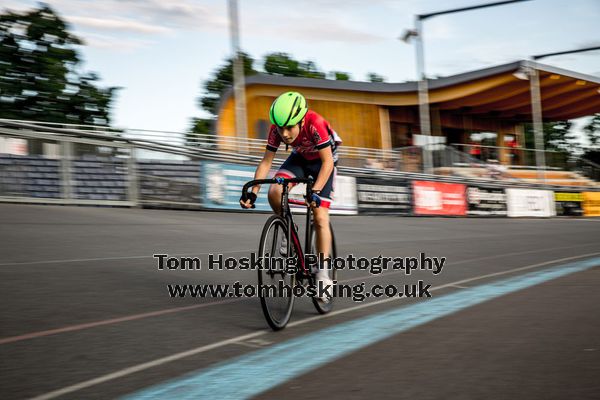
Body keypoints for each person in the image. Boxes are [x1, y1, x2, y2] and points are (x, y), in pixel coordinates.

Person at [239, 91, 341, 301]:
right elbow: (266, 162)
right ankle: (287, 226)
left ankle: (322, 274)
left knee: (320, 217)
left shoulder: (315, 123)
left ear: (302, 120)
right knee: (275, 190)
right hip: (300, 159)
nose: (284, 134)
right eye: (280, 128)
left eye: (289, 127)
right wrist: (254, 192)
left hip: (324, 162)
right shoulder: (277, 130)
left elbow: (328, 163)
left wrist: (314, 192)